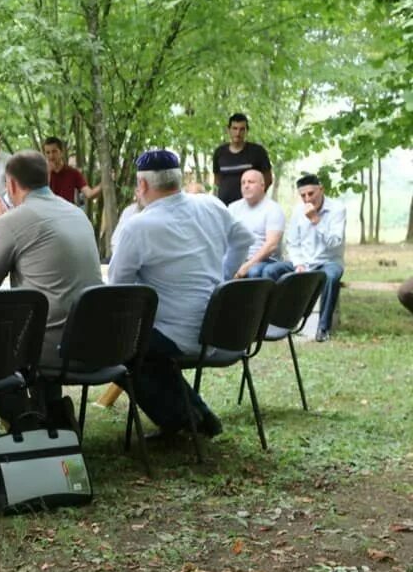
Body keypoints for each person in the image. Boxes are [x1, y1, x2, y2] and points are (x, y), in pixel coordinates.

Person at [108, 149, 253, 439]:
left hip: (175, 335)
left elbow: (118, 292)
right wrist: (223, 282)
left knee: (112, 347)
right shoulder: (211, 205)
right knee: (138, 350)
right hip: (216, 327)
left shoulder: (138, 226)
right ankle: (199, 416)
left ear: (144, 186)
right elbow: (244, 239)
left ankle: (181, 420)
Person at [0, 151, 102, 372]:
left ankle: (26, 406)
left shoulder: (11, 221)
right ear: (47, 179)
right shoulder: (77, 213)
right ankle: (50, 406)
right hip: (90, 341)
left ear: (12, 185)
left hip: (46, 348)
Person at [264, 174, 346, 342]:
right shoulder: (298, 211)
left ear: (321, 190)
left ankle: (323, 328)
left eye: (311, 194)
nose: (308, 199)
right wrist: (299, 263)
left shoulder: (337, 210)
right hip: (304, 262)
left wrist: (316, 220)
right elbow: (292, 243)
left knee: (330, 277)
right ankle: (272, 324)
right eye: (303, 195)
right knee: (270, 270)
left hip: (328, 262)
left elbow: (335, 243)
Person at [228, 169, 285, 278]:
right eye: (243, 183)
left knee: (254, 272)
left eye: (251, 182)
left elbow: (271, 245)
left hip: (264, 260)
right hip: (236, 258)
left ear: (262, 185)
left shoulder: (273, 209)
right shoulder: (233, 208)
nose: (246, 186)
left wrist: (248, 265)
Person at [212, 113, 272, 205]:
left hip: (250, 207)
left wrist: (256, 198)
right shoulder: (219, 153)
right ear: (228, 130)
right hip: (224, 206)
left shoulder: (257, 152)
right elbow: (217, 180)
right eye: (235, 128)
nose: (238, 133)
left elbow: (268, 179)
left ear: (247, 131)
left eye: (242, 129)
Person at [43, 137, 100, 204]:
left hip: (67, 213)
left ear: (61, 152)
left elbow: (89, 194)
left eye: (54, 151)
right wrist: (48, 173)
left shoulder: (73, 173)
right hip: (48, 213)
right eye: (48, 152)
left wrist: (105, 182)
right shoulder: (42, 174)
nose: (51, 156)